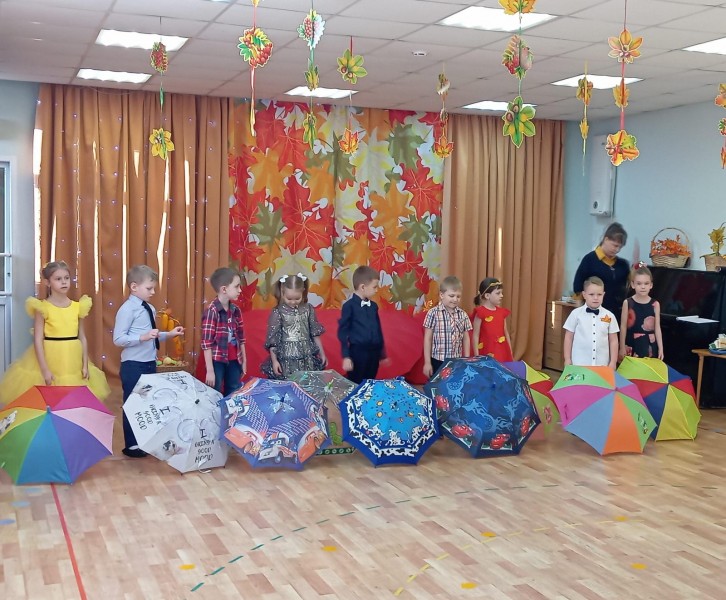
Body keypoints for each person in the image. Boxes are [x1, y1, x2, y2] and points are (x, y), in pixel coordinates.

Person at [0, 261, 110, 406]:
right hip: (50, 357)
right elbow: (38, 339)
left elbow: (82, 337)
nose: (64, 282)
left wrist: (85, 365)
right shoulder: (42, 308)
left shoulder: (78, 307)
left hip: (72, 359)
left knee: (72, 399)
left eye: (66, 278)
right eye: (58, 279)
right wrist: (44, 370)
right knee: (49, 398)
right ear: (47, 282)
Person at [113, 265, 184, 458]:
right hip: (133, 365)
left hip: (148, 364)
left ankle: (146, 440)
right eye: (149, 288)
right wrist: (142, 337)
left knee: (148, 404)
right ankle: (132, 445)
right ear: (134, 287)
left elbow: (152, 336)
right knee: (132, 404)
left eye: (153, 288)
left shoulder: (150, 308)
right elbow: (118, 339)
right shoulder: (127, 310)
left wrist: (169, 334)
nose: (153, 292)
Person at [261, 273, 327, 380]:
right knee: (289, 383)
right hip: (287, 357)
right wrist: (274, 361)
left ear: (303, 292)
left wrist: (322, 354)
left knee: (307, 382)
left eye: (297, 298)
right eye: (289, 298)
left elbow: (315, 334)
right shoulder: (278, 311)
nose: (293, 302)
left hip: (307, 355)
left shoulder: (308, 309)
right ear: (282, 292)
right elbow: (273, 339)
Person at [201, 267, 246, 395]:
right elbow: (206, 343)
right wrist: (210, 370)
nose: (240, 290)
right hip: (217, 361)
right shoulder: (212, 311)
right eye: (236, 286)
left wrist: (244, 361)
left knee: (233, 390)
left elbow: (241, 338)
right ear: (224, 289)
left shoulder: (236, 310)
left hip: (234, 360)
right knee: (214, 391)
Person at [338, 266, 386, 384]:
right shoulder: (349, 306)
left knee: (370, 382)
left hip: (373, 353)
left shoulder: (373, 306)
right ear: (363, 287)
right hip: (358, 353)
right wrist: (346, 356)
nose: (376, 290)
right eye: (374, 287)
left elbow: (378, 329)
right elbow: (343, 332)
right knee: (356, 382)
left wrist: (382, 353)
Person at [573, 222, 630, 315]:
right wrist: (580, 314)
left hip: (616, 313)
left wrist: (640, 265)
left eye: (620, 247)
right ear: (606, 239)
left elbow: (630, 286)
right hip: (593, 312)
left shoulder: (622, 265)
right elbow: (578, 287)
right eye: (615, 245)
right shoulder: (589, 260)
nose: (617, 250)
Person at [563, 276, 619, 369]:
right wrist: (567, 359)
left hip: (602, 365)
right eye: (591, 294)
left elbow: (613, 340)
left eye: (599, 294)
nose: (595, 298)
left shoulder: (610, 316)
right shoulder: (576, 314)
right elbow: (568, 337)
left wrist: (613, 362)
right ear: (584, 295)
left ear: (603, 294)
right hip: (579, 363)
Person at [423, 276, 472, 378]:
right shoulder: (433, 313)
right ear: (442, 295)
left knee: (454, 385)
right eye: (451, 296)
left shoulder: (463, 315)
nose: (455, 299)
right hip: (437, 360)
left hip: (456, 361)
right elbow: (427, 339)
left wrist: (466, 359)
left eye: (458, 296)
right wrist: (427, 362)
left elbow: (466, 338)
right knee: (437, 386)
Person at [619, 262, 663, 360]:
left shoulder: (655, 304)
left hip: (650, 345)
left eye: (646, 283)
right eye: (639, 283)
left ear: (651, 285)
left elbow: (657, 328)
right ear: (633, 284)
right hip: (632, 343)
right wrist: (622, 347)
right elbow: (623, 326)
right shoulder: (628, 302)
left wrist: (661, 348)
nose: (643, 287)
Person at [471, 277, 513, 362]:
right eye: (498, 293)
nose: (502, 296)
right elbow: (475, 336)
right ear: (487, 296)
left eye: (501, 293)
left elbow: (506, 333)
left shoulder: (502, 312)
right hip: (486, 351)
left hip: (502, 352)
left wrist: (510, 351)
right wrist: (477, 356)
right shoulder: (480, 313)